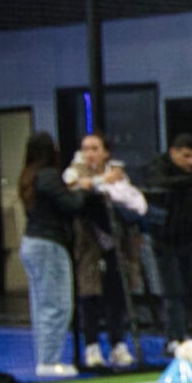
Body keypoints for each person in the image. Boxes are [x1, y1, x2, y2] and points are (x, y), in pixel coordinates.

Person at [65, 135, 148, 369]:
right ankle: (91, 347)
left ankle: (117, 345)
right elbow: (75, 185)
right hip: (89, 245)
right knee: (91, 296)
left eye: (94, 148)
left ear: (105, 152)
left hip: (116, 243)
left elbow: (131, 200)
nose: (89, 153)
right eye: (85, 148)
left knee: (117, 295)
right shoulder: (74, 170)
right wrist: (102, 180)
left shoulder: (118, 173)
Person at [16, 131, 87, 376]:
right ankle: (48, 361)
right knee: (57, 305)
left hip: (32, 243)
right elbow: (71, 205)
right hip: (49, 244)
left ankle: (45, 358)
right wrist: (82, 189)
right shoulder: (47, 175)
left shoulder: (30, 176)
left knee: (42, 305)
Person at [141, 133, 192, 351]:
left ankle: (191, 333)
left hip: (190, 238)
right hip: (164, 239)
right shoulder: (158, 168)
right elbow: (159, 183)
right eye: (186, 156)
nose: (191, 162)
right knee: (173, 290)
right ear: (173, 153)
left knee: (189, 287)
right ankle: (174, 339)